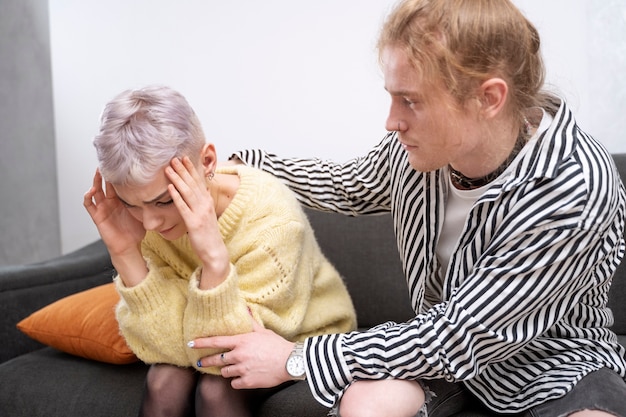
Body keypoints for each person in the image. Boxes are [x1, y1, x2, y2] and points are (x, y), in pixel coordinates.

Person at [187, 0, 626, 416]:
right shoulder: (422, 149)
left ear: (489, 98)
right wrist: (245, 170)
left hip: (553, 363)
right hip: (441, 362)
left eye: (411, 101)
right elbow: (348, 186)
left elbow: (460, 336)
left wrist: (295, 358)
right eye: (393, 96)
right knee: (366, 404)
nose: (392, 121)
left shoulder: (575, 185)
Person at [82, 85, 357, 417]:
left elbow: (225, 352)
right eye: (133, 204)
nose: (151, 222)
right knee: (163, 381)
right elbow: (159, 349)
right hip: (214, 333)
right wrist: (126, 253)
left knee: (216, 389)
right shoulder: (146, 221)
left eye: (164, 201)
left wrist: (213, 257)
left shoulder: (272, 221)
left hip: (301, 340)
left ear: (207, 162)